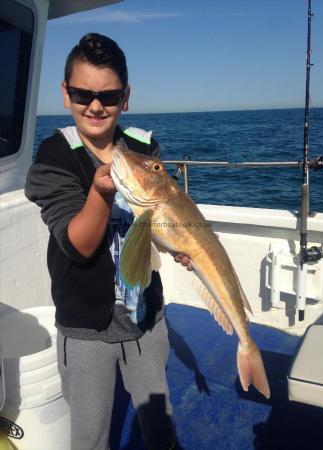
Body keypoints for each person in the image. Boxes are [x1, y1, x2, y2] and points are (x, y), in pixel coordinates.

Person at [25, 33, 191, 450]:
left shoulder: (140, 145)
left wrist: (182, 245)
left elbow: (157, 215)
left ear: (126, 97)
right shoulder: (54, 156)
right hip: (83, 327)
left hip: (144, 317)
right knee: (90, 434)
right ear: (66, 94)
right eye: (83, 93)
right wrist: (101, 192)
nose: (96, 106)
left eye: (109, 95)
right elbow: (77, 244)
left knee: (158, 420)